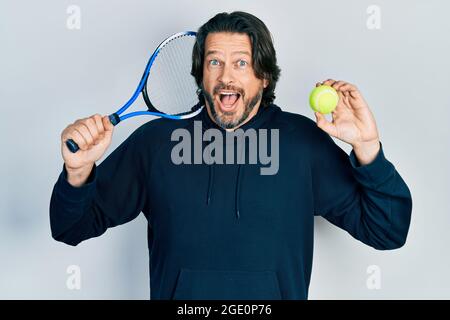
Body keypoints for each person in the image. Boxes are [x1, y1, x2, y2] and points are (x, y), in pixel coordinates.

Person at [50, 11, 412, 300]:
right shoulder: (156, 144)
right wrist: (78, 171)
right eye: (214, 62)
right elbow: (70, 227)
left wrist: (367, 147)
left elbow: (388, 230)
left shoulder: (304, 144)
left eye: (241, 63)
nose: (226, 77)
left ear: (264, 76)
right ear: (200, 74)